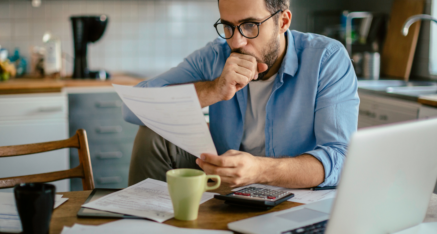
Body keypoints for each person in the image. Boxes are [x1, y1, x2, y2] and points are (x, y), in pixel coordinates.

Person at [123, 0, 359, 189]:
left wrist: (259, 170)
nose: (236, 41)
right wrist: (214, 89)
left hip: (295, 192)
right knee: (153, 131)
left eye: (250, 25)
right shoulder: (215, 55)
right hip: (223, 183)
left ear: (283, 21)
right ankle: (146, 222)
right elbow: (133, 108)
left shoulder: (326, 59)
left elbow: (342, 159)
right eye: (228, 26)